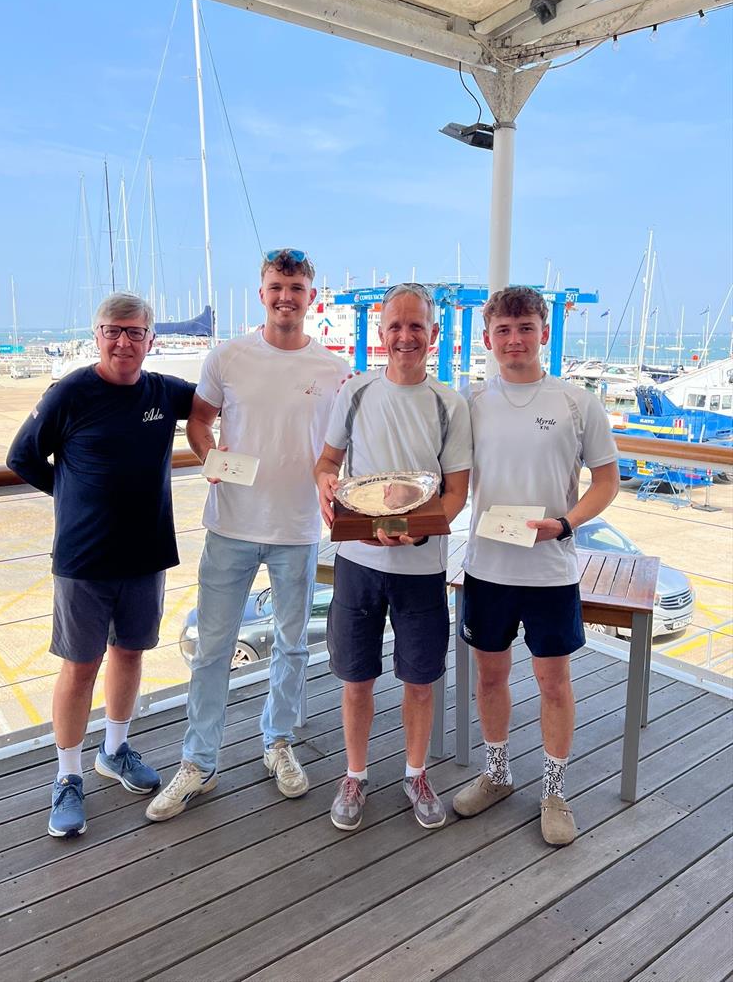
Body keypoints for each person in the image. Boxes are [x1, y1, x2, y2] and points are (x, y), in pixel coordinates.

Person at [146, 249, 351, 821]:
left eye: (296, 287)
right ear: (261, 292)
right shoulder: (228, 356)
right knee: (212, 648)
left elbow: (341, 451)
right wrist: (210, 456)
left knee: (291, 645)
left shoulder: (334, 371)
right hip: (231, 524)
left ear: (312, 296)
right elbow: (199, 423)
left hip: (297, 529)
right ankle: (199, 762)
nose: (286, 297)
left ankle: (278, 742)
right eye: (276, 286)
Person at [7, 292, 200, 838]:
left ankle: (114, 750)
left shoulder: (164, 392)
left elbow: (221, 403)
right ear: (97, 336)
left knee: (131, 653)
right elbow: (21, 458)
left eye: (135, 332)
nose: (123, 341)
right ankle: (68, 775)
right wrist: (70, 495)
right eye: (113, 331)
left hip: (146, 554)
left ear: (151, 341)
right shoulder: (70, 392)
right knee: (79, 666)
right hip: (84, 559)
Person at [452, 286, 619, 846]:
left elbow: (607, 481)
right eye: (503, 330)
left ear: (544, 333)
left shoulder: (576, 401)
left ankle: (554, 789)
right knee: (491, 675)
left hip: (550, 568)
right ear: (488, 339)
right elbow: (445, 477)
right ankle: (497, 773)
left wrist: (567, 525)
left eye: (525, 328)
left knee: (553, 681)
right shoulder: (471, 402)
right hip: (488, 566)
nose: (514, 339)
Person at [315, 283, 472, 832]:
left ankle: (415, 772)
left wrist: (422, 530)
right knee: (355, 678)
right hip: (358, 564)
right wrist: (326, 491)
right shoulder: (355, 393)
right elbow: (326, 465)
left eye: (416, 326)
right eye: (395, 327)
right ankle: (354, 774)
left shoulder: (450, 404)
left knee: (420, 679)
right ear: (381, 335)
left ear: (433, 335)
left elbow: (456, 493)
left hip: (422, 569)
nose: (405, 336)